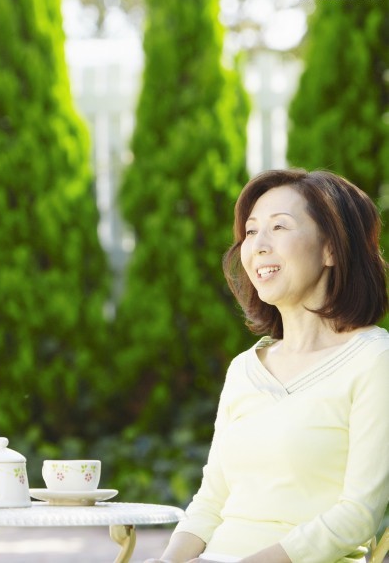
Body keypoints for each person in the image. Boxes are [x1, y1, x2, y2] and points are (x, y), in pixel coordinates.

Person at [147, 169, 389, 563]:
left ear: (331, 249)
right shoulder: (244, 369)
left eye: (279, 227)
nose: (257, 246)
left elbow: (357, 516)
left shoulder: (374, 360)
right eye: (251, 231)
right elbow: (210, 502)